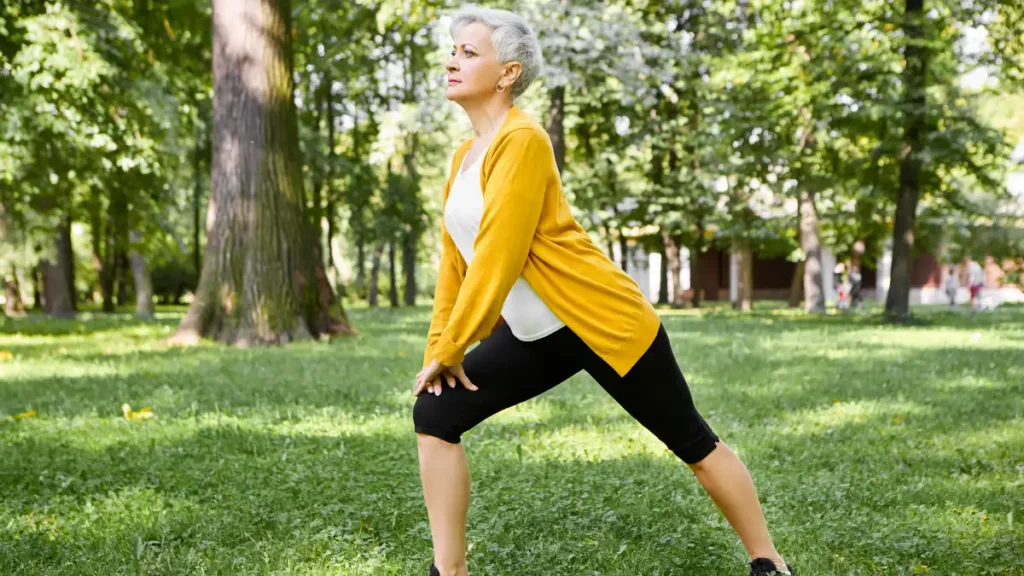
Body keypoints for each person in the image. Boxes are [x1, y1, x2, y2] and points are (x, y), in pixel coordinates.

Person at [411, 7, 795, 576]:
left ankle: (769, 561)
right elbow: (456, 265)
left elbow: (499, 252)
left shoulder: (523, 139)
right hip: (535, 335)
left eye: (469, 52)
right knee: (435, 414)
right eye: (453, 50)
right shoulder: (463, 158)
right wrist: (439, 352)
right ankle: (451, 572)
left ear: (508, 72)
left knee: (691, 439)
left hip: (600, 320)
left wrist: (453, 348)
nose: (452, 60)